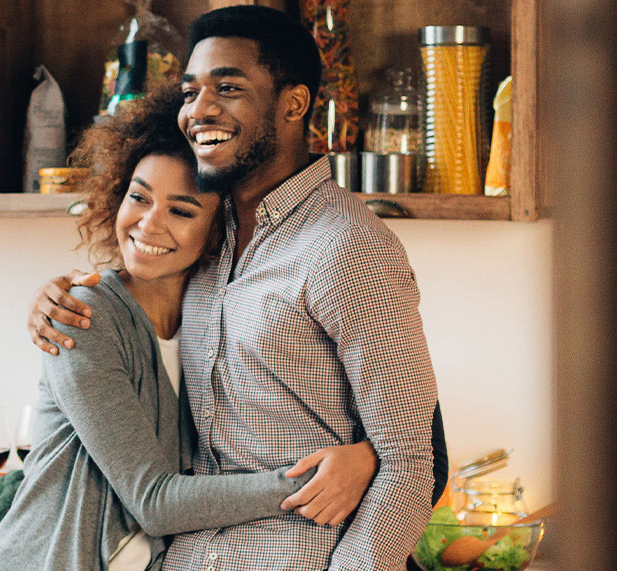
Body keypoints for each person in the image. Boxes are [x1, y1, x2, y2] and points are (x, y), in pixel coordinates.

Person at [27, 6, 444, 570]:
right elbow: (136, 274)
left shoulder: (347, 248)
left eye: (228, 87)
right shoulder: (208, 242)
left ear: (293, 103)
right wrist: (59, 295)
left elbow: (410, 463)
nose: (199, 110)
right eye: (191, 91)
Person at [0, 87, 378, 571]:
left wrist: (367, 457)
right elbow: (155, 501)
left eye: (181, 210)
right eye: (139, 197)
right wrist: (321, 480)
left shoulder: (214, 317)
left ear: (219, 227)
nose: (148, 224)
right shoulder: (84, 316)